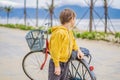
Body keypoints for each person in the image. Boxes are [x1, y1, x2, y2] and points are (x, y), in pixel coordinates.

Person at [48, 8, 84, 80]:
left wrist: (78, 50)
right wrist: (57, 66)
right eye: (74, 19)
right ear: (71, 19)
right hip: (57, 62)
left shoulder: (69, 31)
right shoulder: (59, 33)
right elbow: (55, 51)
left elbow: (73, 42)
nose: (75, 21)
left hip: (66, 61)